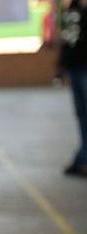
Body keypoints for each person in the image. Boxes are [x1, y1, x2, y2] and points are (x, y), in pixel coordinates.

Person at [60, 0, 87, 178]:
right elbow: (66, 38)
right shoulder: (72, 7)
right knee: (82, 115)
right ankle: (83, 156)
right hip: (74, 66)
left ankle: (82, 157)